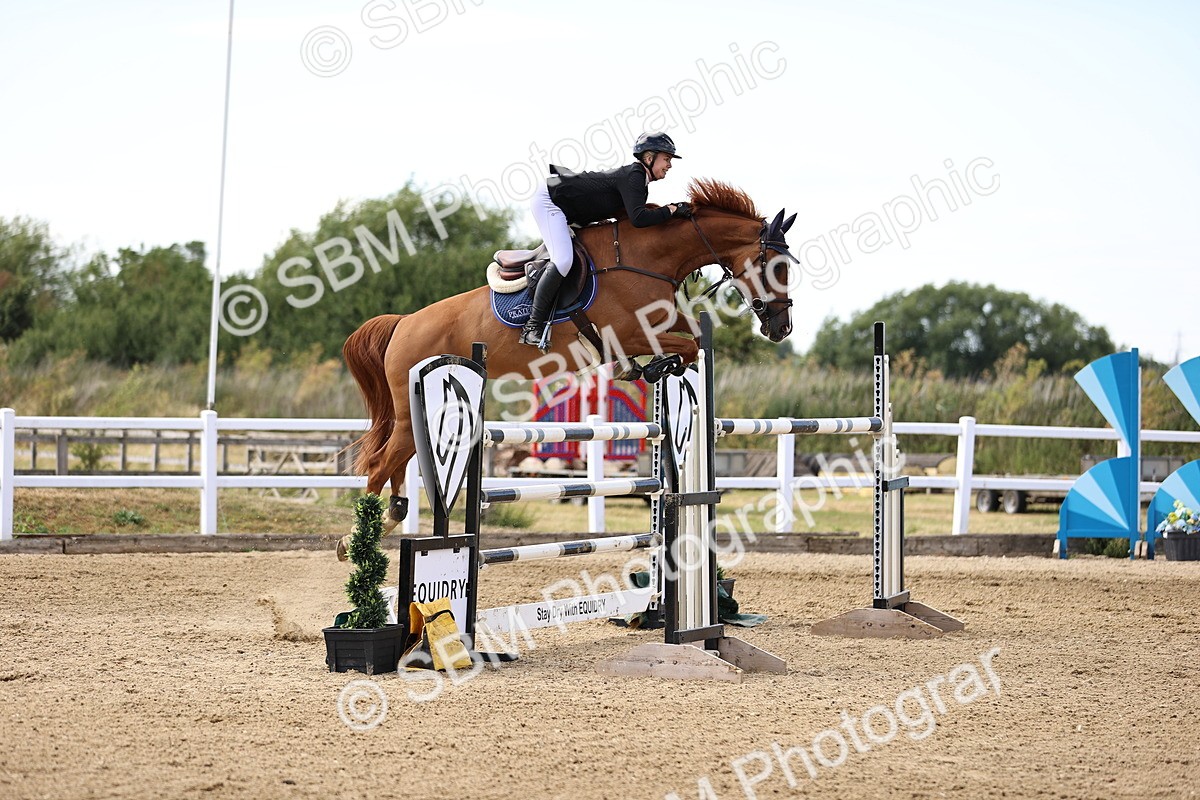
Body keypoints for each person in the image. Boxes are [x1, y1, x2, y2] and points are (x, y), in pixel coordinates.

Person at [520, 131, 693, 347]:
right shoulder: (635, 175)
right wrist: (671, 210)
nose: (669, 165)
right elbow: (639, 219)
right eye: (666, 159)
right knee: (563, 260)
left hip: (568, 207)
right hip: (549, 200)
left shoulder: (639, 181)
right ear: (649, 158)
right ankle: (532, 327)